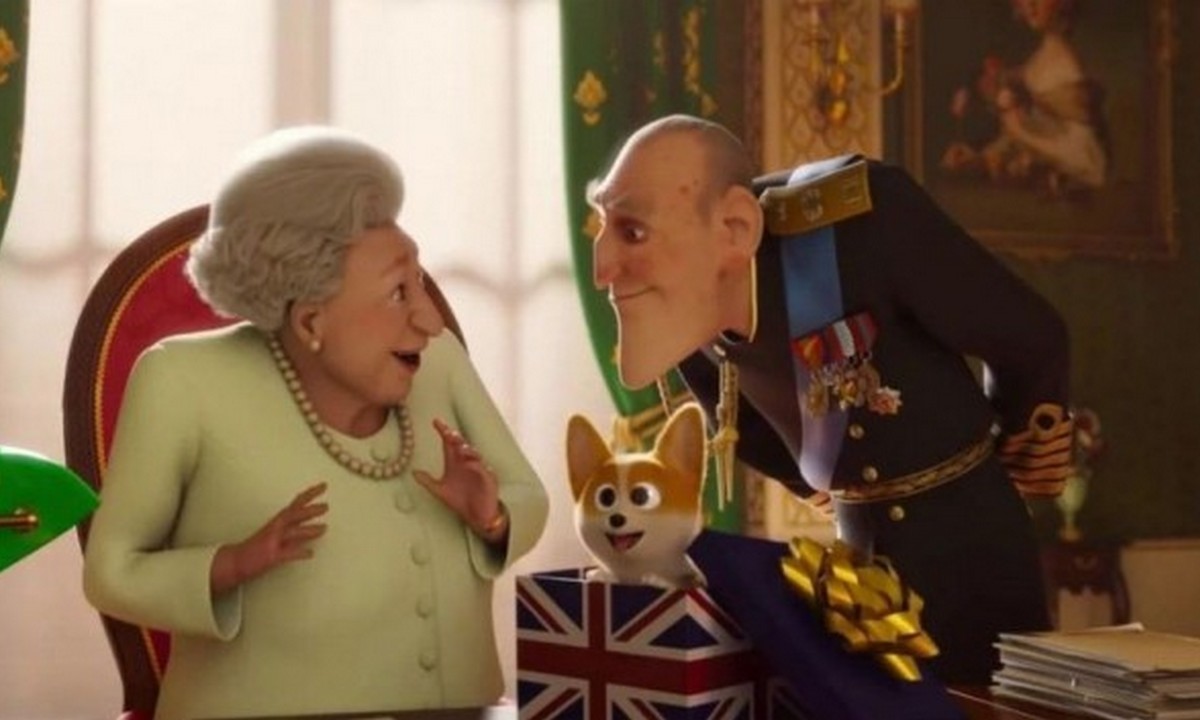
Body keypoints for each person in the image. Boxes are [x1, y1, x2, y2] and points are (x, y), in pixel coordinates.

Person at [586, 114, 1073, 684]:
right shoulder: (686, 309)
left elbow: (1027, 334)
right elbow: (742, 425)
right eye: (602, 225)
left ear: (735, 229)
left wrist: (1022, 445)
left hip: (976, 556)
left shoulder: (858, 224)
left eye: (633, 232)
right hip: (857, 564)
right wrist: (818, 479)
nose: (602, 269)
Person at [83, 126, 549, 720]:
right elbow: (111, 573)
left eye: (420, 282)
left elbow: (528, 493)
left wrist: (493, 517)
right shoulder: (183, 380)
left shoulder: (440, 363)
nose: (430, 320)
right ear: (310, 322)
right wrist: (229, 565)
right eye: (399, 292)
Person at [942, 0, 1108, 198]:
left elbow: (1087, 158)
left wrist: (1016, 122)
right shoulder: (1041, 58)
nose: (1029, 4)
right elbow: (1031, 132)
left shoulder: (1070, 60)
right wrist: (979, 159)